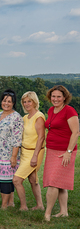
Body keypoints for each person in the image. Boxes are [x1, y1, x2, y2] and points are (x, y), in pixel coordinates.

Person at [43, 85, 78, 221]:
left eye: (58, 96)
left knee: (53, 183)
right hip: (51, 151)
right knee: (60, 183)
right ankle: (64, 212)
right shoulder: (51, 110)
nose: (55, 99)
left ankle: (47, 213)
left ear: (64, 97)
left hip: (64, 152)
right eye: (53, 96)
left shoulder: (69, 111)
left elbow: (75, 133)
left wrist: (68, 152)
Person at [0, 89, 24, 209]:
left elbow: (17, 138)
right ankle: (10, 202)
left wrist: (14, 156)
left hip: (9, 154)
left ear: (13, 103)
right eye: (4, 101)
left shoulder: (16, 117)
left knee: (5, 180)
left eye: (9, 101)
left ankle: (4, 205)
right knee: (6, 179)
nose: (6, 103)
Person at [12, 92, 45, 211]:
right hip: (24, 152)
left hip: (34, 152)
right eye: (24, 102)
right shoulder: (25, 118)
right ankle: (40, 205)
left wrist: (35, 156)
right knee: (32, 179)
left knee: (16, 180)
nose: (26, 104)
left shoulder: (39, 117)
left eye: (29, 101)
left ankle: (23, 206)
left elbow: (41, 138)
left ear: (35, 102)